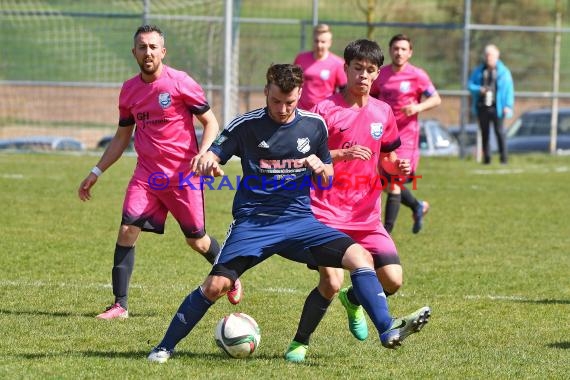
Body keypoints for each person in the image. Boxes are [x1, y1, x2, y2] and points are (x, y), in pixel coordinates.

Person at [147, 63, 430, 364]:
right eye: (276, 101)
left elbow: (327, 174)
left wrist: (323, 169)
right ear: (266, 90)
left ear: (300, 95)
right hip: (254, 223)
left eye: (290, 102)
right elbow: (212, 156)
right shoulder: (245, 125)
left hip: (300, 222)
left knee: (360, 257)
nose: (283, 109)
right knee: (216, 286)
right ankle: (164, 346)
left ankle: (387, 329)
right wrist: (208, 163)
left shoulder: (314, 125)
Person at [77, 25, 242, 320]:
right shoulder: (129, 90)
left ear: (163, 52)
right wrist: (96, 170)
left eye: (153, 47)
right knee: (128, 229)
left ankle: (229, 271)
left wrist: (204, 154)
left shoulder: (180, 83)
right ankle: (120, 305)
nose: (148, 52)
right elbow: (121, 137)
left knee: (197, 240)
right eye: (142, 47)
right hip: (147, 177)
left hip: (183, 177)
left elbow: (212, 123)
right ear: (134, 53)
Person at [284, 39, 431, 363]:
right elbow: (303, 155)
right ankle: (300, 341)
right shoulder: (324, 110)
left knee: (393, 280)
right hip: (326, 212)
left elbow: (387, 158)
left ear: (377, 74)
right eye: (357, 68)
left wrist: (398, 167)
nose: (363, 75)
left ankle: (356, 299)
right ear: (346, 69)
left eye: (370, 70)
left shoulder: (383, 111)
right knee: (331, 281)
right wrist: (340, 154)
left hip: (367, 215)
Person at [370, 34, 441, 234]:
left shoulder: (417, 75)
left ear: (410, 53)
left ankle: (385, 233)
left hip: (406, 138)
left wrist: (417, 107)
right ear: (390, 50)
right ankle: (417, 206)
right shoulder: (381, 75)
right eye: (395, 48)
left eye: (403, 49)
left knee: (392, 183)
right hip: (383, 136)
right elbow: (370, 98)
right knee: (386, 183)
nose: (399, 52)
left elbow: (436, 99)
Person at [468, 44, 514, 164]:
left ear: (497, 57)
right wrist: (479, 89)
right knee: (485, 133)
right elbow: (470, 85)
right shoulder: (479, 71)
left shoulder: (504, 72)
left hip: (498, 107)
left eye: (491, 56)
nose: (489, 58)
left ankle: (504, 158)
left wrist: (508, 106)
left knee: (500, 132)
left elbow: (509, 90)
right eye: (487, 55)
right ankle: (487, 159)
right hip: (482, 106)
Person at [294, 23, 347, 111]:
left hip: (325, 112)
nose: (319, 45)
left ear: (329, 43)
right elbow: (293, 83)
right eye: (316, 41)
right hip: (301, 111)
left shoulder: (338, 63)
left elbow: (344, 91)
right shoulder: (301, 59)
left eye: (323, 42)